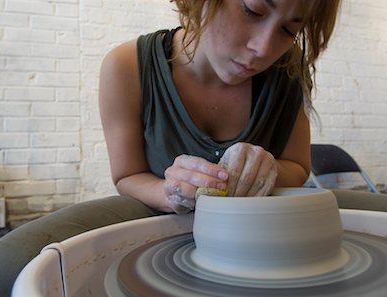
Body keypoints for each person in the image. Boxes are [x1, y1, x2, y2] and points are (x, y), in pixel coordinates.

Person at [99, 0, 341, 215]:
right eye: (253, 11)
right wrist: (169, 191)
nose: (264, 48)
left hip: (258, 241)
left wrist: (270, 170)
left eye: (288, 30)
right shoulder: (126, 66)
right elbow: (127, 177)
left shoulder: (288, 70)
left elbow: (298, 167)